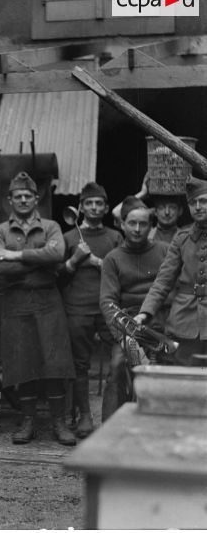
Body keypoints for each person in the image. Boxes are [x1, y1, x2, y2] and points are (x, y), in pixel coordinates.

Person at [0, 172, 76, 446]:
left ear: (37, 199)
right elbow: (0, 268)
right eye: (18, 196)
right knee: (21, 363)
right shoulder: (0, 231)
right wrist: (41, 259)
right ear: (10, 200)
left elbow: (58, 254)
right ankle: (26, 422)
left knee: (54, 363)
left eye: (28, 196)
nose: (24, 200)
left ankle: (59, 423)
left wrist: (18, 255)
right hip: (16, 303)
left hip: (48, 300)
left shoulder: (50, 226)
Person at [58, 182, 123, 438]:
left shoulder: (114, 237)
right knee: (79, 364)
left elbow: (122, 271)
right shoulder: (68, 238)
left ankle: (112, 417)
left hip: (108, 308)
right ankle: (84, 416)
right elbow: (57, 278)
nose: (94, 207)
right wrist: (73, 262)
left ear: (106, 208)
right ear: (81, 208)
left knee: (118, 361)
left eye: (99, 203)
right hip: (76, 308)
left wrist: (97, 262)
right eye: (89, 203)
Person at [100, 196, 170, 421]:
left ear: (151, 226)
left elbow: (172, 289)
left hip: (160, 323)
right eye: (132, 223)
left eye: (143, 224)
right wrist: (126, 338)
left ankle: (162, 428)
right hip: (127, 328)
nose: (137, 229)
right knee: (117, 365)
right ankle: (110, 429)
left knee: (170, 367)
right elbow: (108, 301)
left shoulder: (165, 251)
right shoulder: (113, 258)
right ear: (122, 225)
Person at [135, 177, 207, 366]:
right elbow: (163, 281)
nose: (198, 207)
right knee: (183, 384)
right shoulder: (181, 238)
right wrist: (145, 312)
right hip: (185, 322)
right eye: (193, 203)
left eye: (203, 201)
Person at [112, 174, 185, 244]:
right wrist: (143, 193)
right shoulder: (143, 232)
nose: (167, 212)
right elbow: (116, 212)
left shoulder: (185, 236)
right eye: (161, 207)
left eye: (172, 207)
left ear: (180, 211)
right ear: (155, 211)